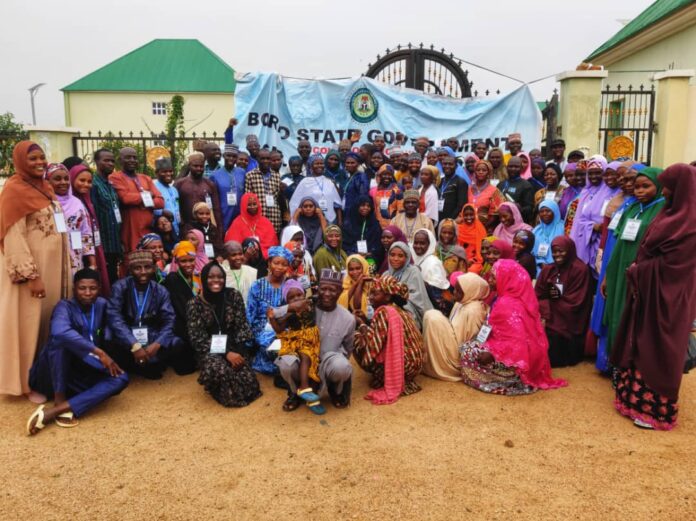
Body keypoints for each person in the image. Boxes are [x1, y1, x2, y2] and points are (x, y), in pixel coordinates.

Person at [610, 163, 696, 430]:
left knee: (659, 346)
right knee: (640, 341)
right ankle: (632, 400)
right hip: (647, 294)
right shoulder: (668, 213)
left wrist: (639, 269)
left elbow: (676, 268)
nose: (665, 191)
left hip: (667, 298)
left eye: (669, 186)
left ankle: (656, 411)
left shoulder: (689, 224)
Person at [0, 142, 71, 399]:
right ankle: (26, 383)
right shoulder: (13, 192)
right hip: (32, 275)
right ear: (20, 161)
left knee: (49, 322)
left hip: (55, 270)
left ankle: (46, 376)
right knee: (30, 325)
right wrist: (31, 276)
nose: (40, 162)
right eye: (33, 158)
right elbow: (13, 238)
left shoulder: (44, 188)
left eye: (42, 157)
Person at [26, 269, 128, 435]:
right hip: (51, 375)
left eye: (93, 288)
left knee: (121, 378)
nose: (87, 293)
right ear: (74, 289)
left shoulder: (102, 304)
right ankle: (59, 399)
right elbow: (59, 331)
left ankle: (54, 411)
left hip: (82, 371)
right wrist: (99, 352)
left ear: (99, 288)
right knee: (59, 341)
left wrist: (136, 346)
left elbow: (116, 326)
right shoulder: (64, 306)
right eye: (82, 288)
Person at [459, 259, 567, 395]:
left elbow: (517, 342)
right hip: (528, 360)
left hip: (517, 367)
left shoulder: (506, 304)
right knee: (471, 345)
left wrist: (492, 354)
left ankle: (503, 381)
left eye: (494, 277)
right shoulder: (518, 299)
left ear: (506, 279)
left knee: (466, 352)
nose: (490, 281)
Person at [601, 167, 665, 361]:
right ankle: (617, 367)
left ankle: (635, 367)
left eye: (646, 186)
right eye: (636, 187)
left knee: (637, 319)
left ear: (660, 186)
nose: (639, 191)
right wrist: (608, 275)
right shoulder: (631, 208)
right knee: (617, 314)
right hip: (620, 270)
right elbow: (618, 243)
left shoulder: (663, 210)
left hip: (644, 274)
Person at [106, 250, 193, 379]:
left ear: (154, 268)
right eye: (137, 268)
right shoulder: (120, 287)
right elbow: (114, 318)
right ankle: (137, 364)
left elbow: (169, 319)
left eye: (147, 267)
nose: (143, 272)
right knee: (108, 339)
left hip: (151, 334)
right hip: (126, 335)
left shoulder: (160, 290)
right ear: (130, 269)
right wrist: (134, 345)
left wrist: (157, 343)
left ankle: (147, 362)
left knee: (177, 342)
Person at [276, 268, 355, 410]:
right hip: (303, 359)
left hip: (328, 361)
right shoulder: (305, 307)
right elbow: (276, 316)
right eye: (323, 289)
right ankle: (295, 393)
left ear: (340, 291)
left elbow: (348, 348)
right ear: (318, 289)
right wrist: (291, 307)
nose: (327, 294)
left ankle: (334, 389)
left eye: (332, 290)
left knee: (342, 366)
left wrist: (334, 364)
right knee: (286, 364)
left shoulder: (348, 318)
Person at [186, 261, 262, 407]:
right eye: (211, 277)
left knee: (249, 383)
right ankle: (214, 384)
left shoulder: (233, 295)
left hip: (234, 347)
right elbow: (198, 339)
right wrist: (227, 354)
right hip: (209, 351)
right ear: (203, 279)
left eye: (220, 277)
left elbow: (242, 326)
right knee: (221, 372)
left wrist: (238, 354)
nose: (216, 281)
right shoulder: (194, 304)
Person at [353, 275, 424, 403]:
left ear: (387, 296)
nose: (370, 297)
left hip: (404, 366)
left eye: (375, 294)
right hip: (414, 366)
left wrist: (361, 324)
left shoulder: (384, 312)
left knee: (355, 338)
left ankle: (383, 377)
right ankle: (398, 378)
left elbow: (372, 346)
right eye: (370, 293)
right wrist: (365, 320)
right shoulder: (399, 310)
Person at [267, 279, 324, 413]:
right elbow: (280, 330)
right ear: (287, 301)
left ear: (304, 294)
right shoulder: (290, 314)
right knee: (305, 357)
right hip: (299, 342)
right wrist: (272, 319)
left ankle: (312, 400)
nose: (296, 299)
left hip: (312, 341)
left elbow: (319, 296)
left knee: (314, 368)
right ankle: (303, 387)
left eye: (299, 295)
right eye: (291, 297)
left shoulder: (310, 304)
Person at [535, 236, 593, 367]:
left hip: (569, 318)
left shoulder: (580, 269)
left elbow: (577, 301)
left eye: (561, 251)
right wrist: (544, 310)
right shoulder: (548, 269)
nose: (557, 255)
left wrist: (550, 308)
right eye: (554, 252)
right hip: (549, 313)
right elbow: (537, 294)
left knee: (554, 337)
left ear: (570, 250)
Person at [422, 272, 489, 381]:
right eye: (455, 289)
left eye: (459, 291)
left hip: (459, 353)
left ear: (470, 291)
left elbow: (469, 341)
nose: (454, 292)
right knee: (431, 315)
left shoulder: (474, 310)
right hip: (453, 344)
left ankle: (445, 366)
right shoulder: (461, 303)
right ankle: (433, 362)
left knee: (433, 317)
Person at [246, 246, 293, 375]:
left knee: (289, 348)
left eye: (284, 264)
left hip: (284, 326)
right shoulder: (257, 285)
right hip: (262, 327)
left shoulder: (290, 285)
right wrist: (248, 341)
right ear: (269, 263)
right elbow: (250, 314)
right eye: (276, 263)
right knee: (273, 348)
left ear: (288, 266)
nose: (279, 267)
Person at [569, 157, 620, 275]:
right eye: (590, 173)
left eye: (598, 173)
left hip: (604, 239)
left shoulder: (611, 190)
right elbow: (580, 219)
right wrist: (593, 226)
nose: (594, 176)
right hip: (586, 239)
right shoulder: (586, 191)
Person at [109, 147, 164, 253]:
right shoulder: (115, 177)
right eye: (128, 158)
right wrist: (149, 195)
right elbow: (125, 198)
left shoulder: (146, 178)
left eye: (135, 158)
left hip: (149, 229)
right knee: (133, 259)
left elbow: (160, 201)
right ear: (120, 160)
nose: (132, 160)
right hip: (130, 229)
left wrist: (140, 202)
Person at [46, 163, 96, 275]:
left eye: (66, 179)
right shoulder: (43, 204)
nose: (63, 182)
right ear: (47, 181)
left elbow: (85, 233)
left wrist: (92, 262)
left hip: (75, 258)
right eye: (57, 179)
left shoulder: (77, 203)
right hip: (52, 258)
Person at [69, 164, 111, 295]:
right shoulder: (66, 202)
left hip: (88, 249)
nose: (86, 184)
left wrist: (92, 259)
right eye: (82, 180)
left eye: (89, 181)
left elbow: (86, 230)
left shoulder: (86, 200)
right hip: (70, 253)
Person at [90, 148, 123, 284]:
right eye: (106, 160)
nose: (110, 164)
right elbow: (93, 214)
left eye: (112, 161)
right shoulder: (93, 185)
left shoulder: (110, 185)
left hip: (114, 241)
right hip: (103, 242)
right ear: (97, 162)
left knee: (114, 277)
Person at [162, 240, 201, 354]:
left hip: (198, 322)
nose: (188, 264)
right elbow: (180, 309)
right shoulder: (172, 279)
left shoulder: (198, 277)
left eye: (191, 260)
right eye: (183, 261)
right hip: (182, 326)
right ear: (177, 262)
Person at [174, 152, 224, 241]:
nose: (199, 169)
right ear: (189, 166)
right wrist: (181, 225)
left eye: (201, 166)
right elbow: (175, 206)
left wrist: (219, 231)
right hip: (186, 228)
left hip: (206, 228)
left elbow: (216, 209)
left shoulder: (209, 184)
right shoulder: (180, 184)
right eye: (195, 166)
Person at [386, 242, 432, 328]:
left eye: (400, 256)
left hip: (409, 311)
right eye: (392, 255)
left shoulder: (413, 271)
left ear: (407, 258)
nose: (395, 259)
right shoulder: (386, 274)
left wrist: (395, 300)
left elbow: (417, 298)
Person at [245, 148, 287, 239]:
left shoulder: (276, 175)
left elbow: (278, 198)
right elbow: (247, 200)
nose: (265, 161)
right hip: (258, 219)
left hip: (274, 218)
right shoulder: (250, 176)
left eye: (268, 158)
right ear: (257, 159)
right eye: (262, 158)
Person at [290, 154, 343, 225]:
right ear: (311, 166)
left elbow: (337, 204)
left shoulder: (329, 182)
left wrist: (339, 221)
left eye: (321, 163)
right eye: (316, 164)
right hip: (310, 222)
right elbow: (295, 203)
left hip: (330, 221)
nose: (319, 166)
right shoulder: (305, 182)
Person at [224, 193, 278, 257]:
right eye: (249, 205)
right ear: (243, 206)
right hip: (245, 256)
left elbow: (272, 244)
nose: (252, 207)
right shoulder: (237, 222)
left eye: (254, 204)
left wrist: (259, 252)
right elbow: (233, 245)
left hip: (265, 256)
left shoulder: (266, 222)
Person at [210, 143, 246, 231]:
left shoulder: (242, 173)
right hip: (223, 213)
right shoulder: (215, 175)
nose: (231, 159)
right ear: (223, 156)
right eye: (228, 156)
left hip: (239, 213)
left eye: (234, 156)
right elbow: (213, 199)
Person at [341, 195, 382, 267]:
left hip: (370, 256)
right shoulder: (348, 223)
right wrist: (356, 253)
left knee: (370, 270)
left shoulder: (374, 223)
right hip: (352, 256)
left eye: (368, 206)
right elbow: (344, 244)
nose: (366, 208)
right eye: (363, 205)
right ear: (357, 206)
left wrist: (370, 253)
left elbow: (378, 243)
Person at [468, 160, 505, 232]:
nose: (480, 172)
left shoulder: (494, 191)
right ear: (475, 172)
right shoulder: (468, 188)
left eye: (484, 170)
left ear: (488, 173)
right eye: (478, 170)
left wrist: (482, 227)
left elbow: (495, 215)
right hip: (468, 225)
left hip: (485, 228)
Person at [497, 156, 534, 223]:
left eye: (516, 167)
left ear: (521, 168)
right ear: (506, 167)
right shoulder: (501, 184)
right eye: (510, 166)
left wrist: (518, 208)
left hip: (517, 222)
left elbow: (529, 208)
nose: (513, 169)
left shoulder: (526, 185)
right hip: (500, 222)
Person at [532, 200, 564, 273]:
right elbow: (531, 252)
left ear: (555, 212)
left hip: (559, 267)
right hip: (539, 267)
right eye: (541, 211)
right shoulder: (536, 230)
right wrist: (540, 262)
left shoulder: (563, 228)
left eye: (548, 211)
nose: (544, 214)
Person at [152, 157, 181, 237]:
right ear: (157, 173)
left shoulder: (174, 189)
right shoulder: (153, 187)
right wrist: (161, 212)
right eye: (164, 172)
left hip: (176, 229)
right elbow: (147, 209)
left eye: (170, 171)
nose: (168, 174)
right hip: (161, 229)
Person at [457, 204, 486, 274]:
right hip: (460, 258)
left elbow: (482, 251)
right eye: (466, 215)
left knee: (472, 270)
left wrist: (471, 260)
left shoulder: (480, 229)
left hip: (475, 260)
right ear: (462, 215)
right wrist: (463, 260)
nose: (469, 217)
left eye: (471, 215)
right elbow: (455, 248)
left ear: (475, 215)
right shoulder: (458, 229)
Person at [438, 155, 468, 221]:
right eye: (445, 164)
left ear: (456, 166)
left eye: (450, 164)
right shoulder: (440, 181)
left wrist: (451, 219)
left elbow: (461, 204)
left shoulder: (461, 182)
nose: (447, 166)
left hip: (451, 219)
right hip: (438, 217)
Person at [370, 164, 401, 228]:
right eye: (384, 174)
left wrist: (395, 226)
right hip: (377, 226)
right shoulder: (375, 191)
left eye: (389, 174)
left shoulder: (397, 191)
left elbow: (400, 211)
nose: (387, 176)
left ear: (392, 176)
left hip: (393, 226)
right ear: (380, 176)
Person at [341, 152, 370, 217]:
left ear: (358, 164)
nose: (349, 165)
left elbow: (363, 196)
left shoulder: (361, 177)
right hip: (346, 210)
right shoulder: (348, 177)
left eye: (352, 163)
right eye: (347, 163)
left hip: (355, 212)